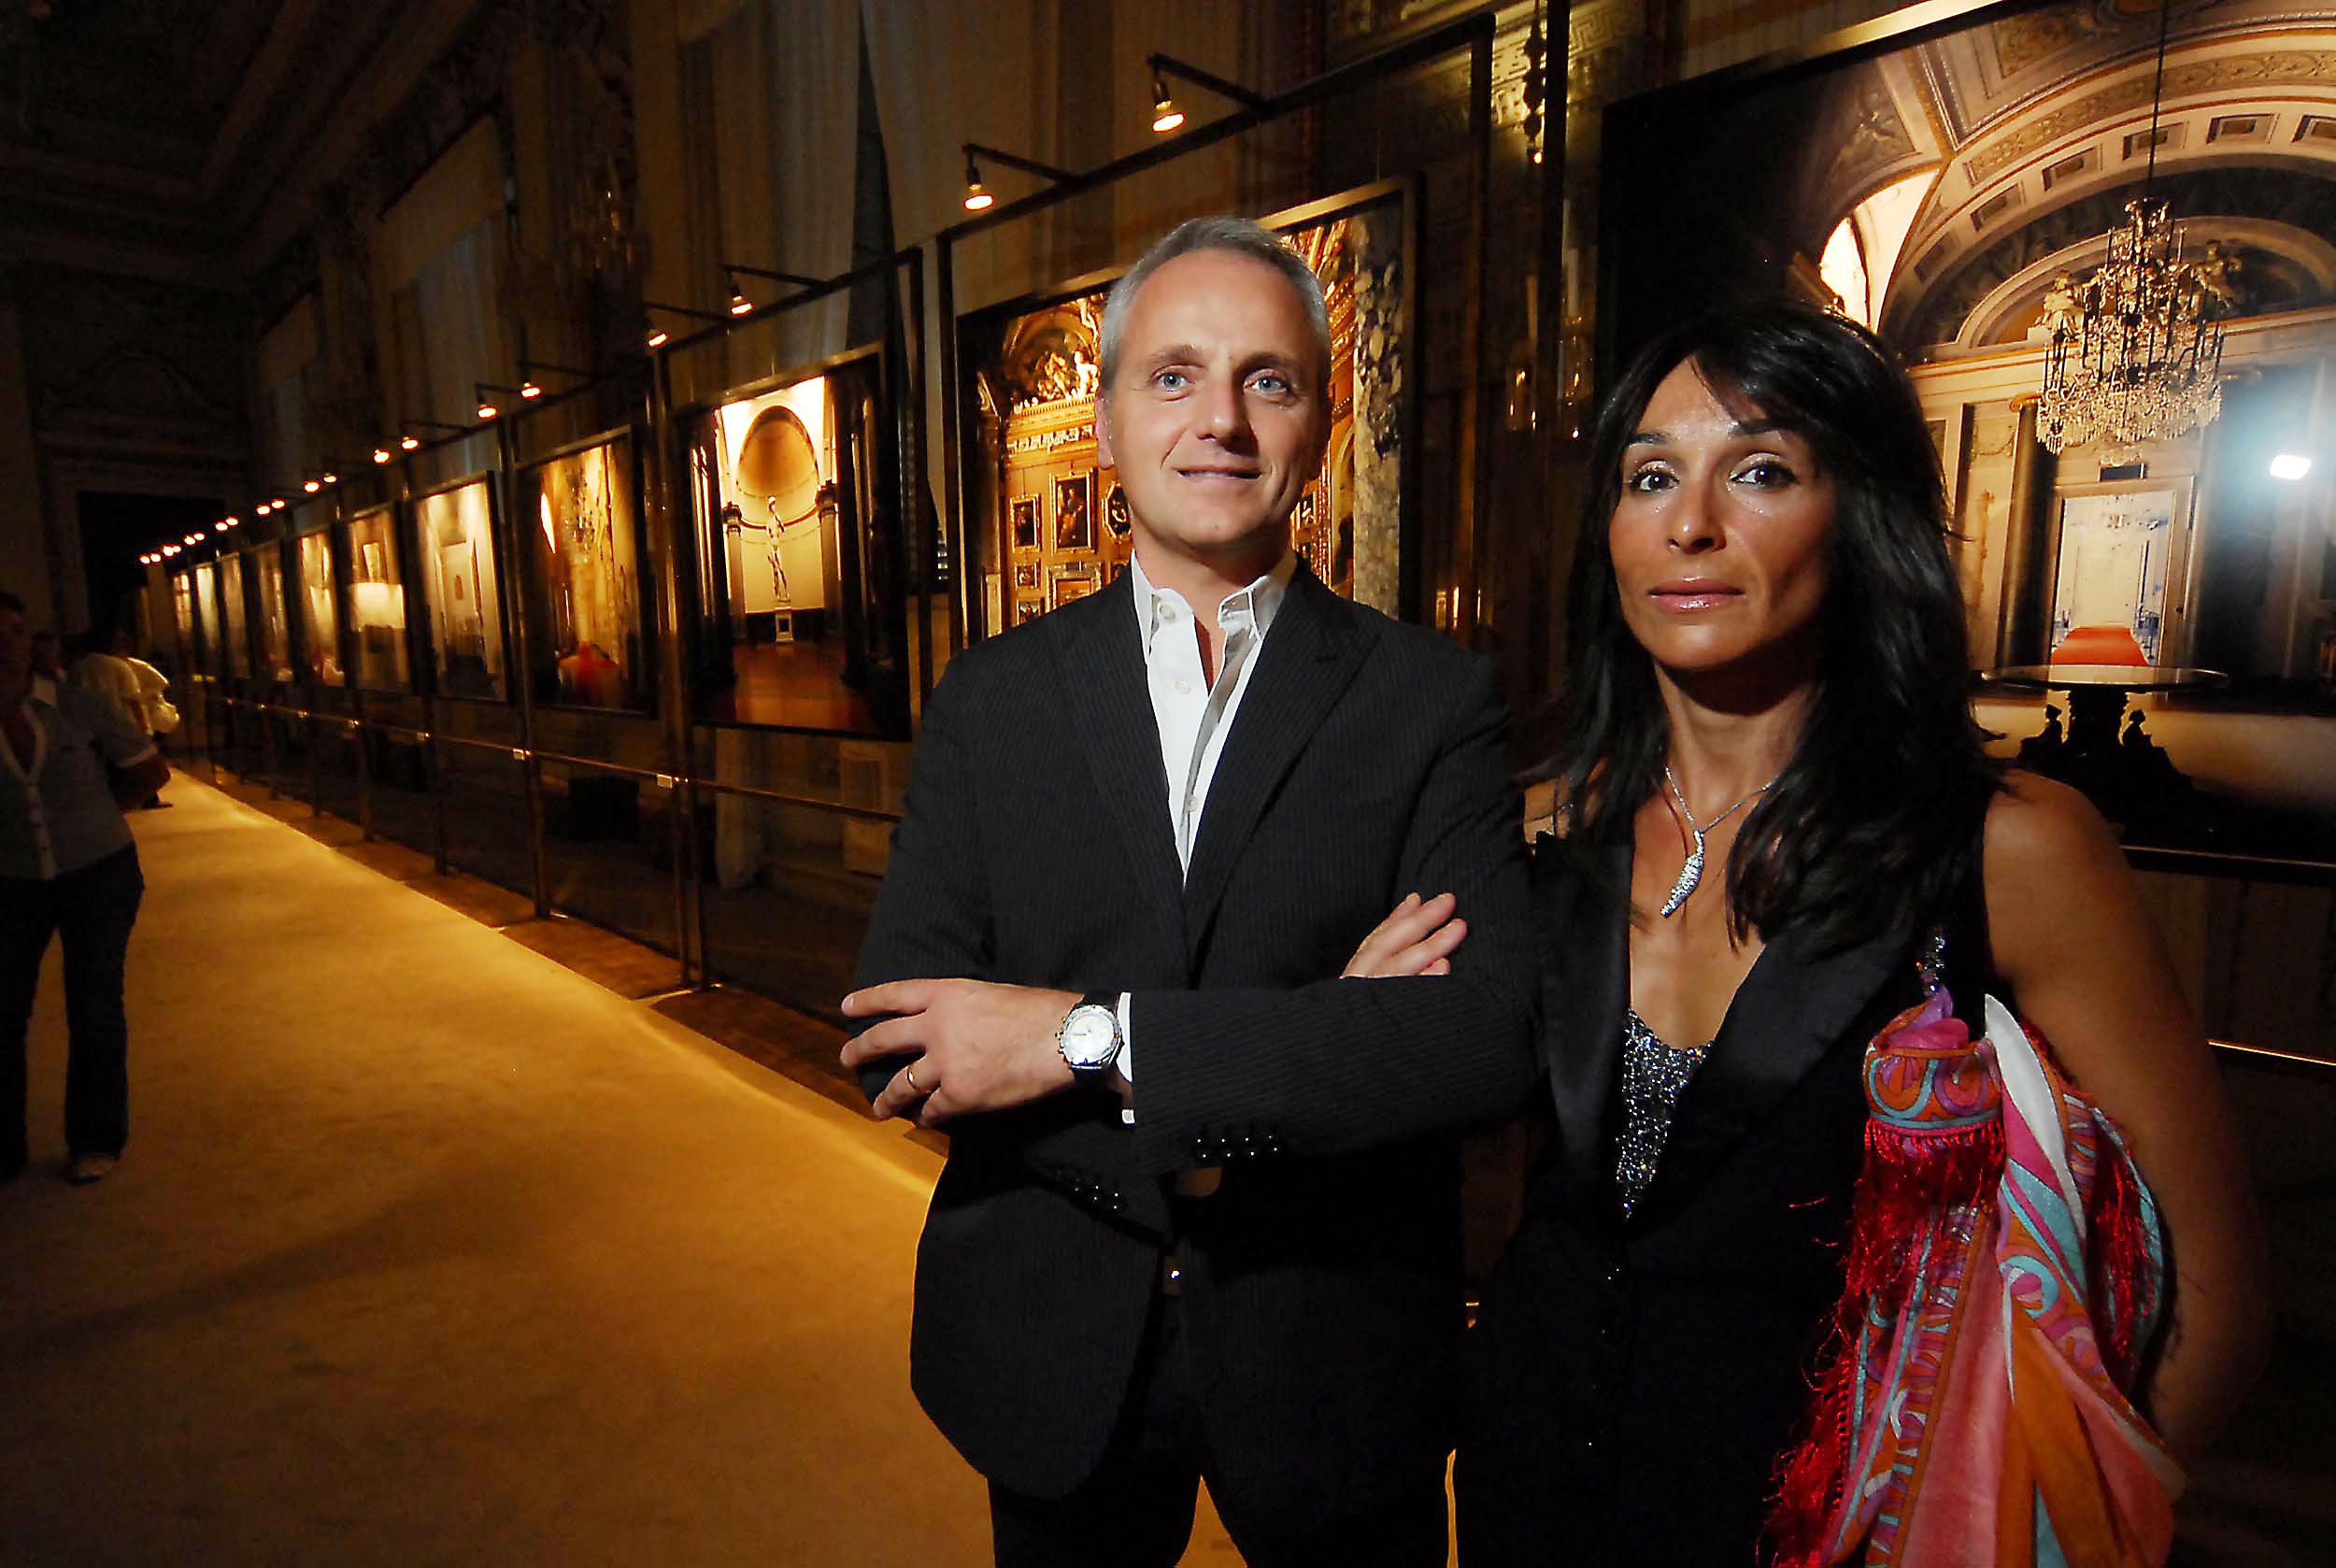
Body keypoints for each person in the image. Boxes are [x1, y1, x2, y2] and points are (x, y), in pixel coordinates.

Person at [1358, 305, 2270, 1562]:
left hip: (1849, 1528)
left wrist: (2067, 1525)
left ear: (1862, 514)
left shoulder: (2010, 848)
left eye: (1764, 471)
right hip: (1532, 1493)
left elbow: (2217, 1292)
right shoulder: (1535, 834)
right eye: (1650, 477)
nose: (1691, 524)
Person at [838, 216, 1536, 1566]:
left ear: (1320, 428)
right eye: (1173, 376)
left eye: (1267, 380)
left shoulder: (1427, 699)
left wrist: (1075, 1039)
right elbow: (903, 1043)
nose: (1219, 419)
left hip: (1334, 1348)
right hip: (1055, 1340)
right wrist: (1311, 1046)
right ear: (1103, 421)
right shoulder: (993, 701)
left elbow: (1478, 1037)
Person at [2, 591, 170, 1183]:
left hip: (98, 872)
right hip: (12, 881)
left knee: (94, 1003)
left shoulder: (77, 705)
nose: (8, 647)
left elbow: (148, 771)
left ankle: (96, 1138)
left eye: (17, 632)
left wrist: (97, 819)